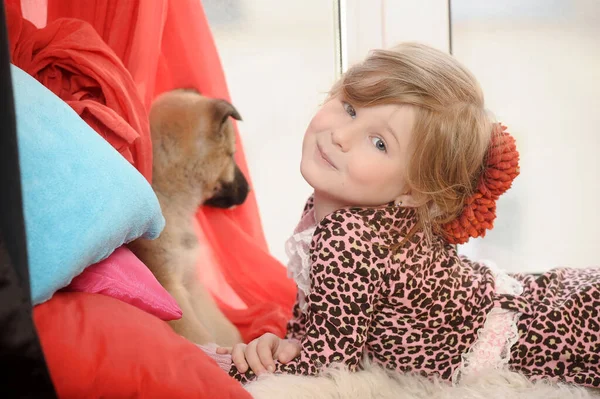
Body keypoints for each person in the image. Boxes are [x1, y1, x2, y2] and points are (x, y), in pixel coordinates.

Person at [205, 42, 600, 388]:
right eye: (350, 108)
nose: (342, 136)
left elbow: (324, 371)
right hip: (522, 303)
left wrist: (222, 367)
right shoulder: (337, 208)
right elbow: (323, 320)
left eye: (379, 143)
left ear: (415, 193)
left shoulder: (348, 236)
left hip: (554, 328)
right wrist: (287, 344)